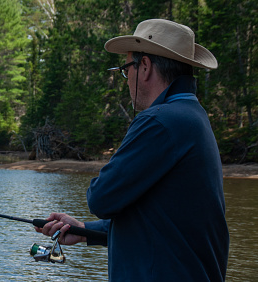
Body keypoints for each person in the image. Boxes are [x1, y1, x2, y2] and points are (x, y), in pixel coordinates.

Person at [35, 19, 229, 281]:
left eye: (126, 69)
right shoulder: (193, 117)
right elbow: (162, 222)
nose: (126, 80)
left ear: (145, 67)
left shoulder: (160, 121)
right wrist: (85, 231)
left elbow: (100, 198)